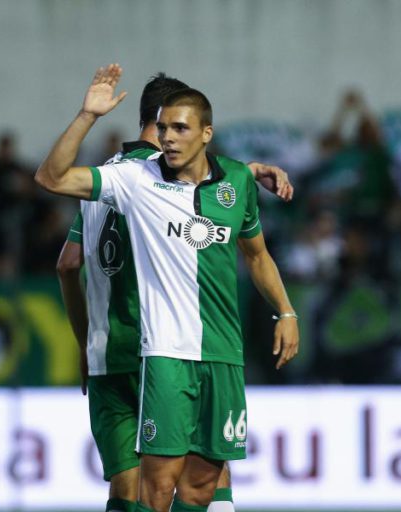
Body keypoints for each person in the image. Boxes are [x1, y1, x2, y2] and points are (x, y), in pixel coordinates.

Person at [37, 64, 298, 512]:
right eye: (165, 127)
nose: (171, 136)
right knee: (156, 489)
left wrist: (286, 312)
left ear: (205, 132)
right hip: (158, 353)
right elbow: (52, 179)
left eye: (181, 127)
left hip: (199, 353)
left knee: (192, 486)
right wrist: (87, 115)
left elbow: (69, 264)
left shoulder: (232, 182)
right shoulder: (135, 180)